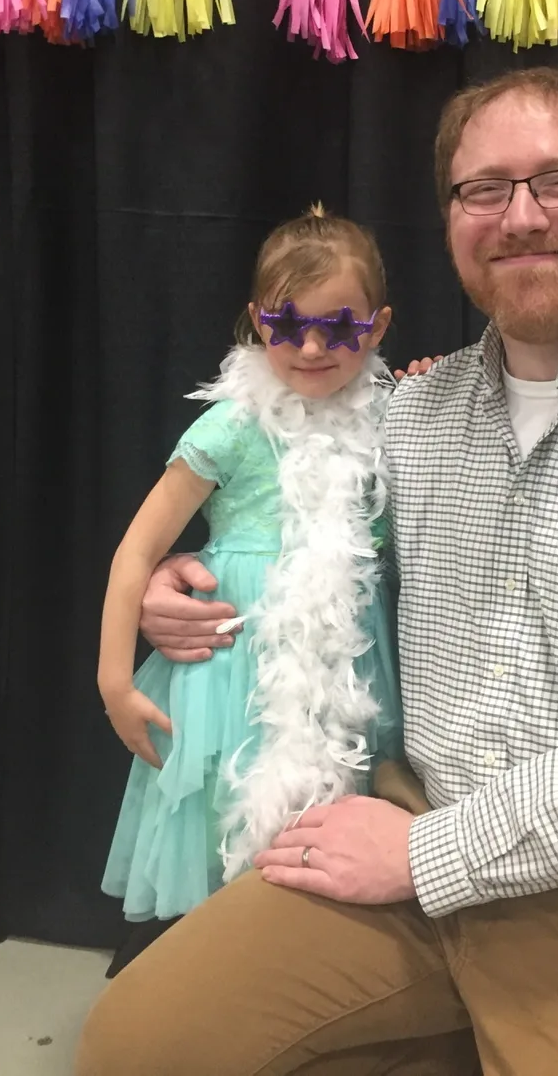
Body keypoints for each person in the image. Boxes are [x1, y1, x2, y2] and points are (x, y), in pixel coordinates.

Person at [77, 68, 558, 1076]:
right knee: (134, 1049)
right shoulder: (408, 419)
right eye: (484, 189)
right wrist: (181, 586)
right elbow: (305, 535)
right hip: (407, 834)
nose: (521, 216)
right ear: (452, 219)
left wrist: (427, 855)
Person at [96, 205, 403, 939]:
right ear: (258, 324)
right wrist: (114, 682)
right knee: (225, 818)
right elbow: (136, 552)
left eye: (340, 327)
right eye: (288, 324)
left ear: (378, 328)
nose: (311, 345)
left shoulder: (393, 421)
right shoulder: (231, 427)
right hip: (233, 672)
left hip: (348, 665)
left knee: (335, 823)